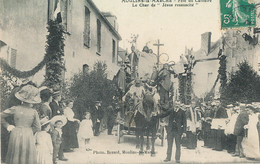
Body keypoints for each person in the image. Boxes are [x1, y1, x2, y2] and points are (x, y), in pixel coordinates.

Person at [1, 84, 41, 164]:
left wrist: (7, 126)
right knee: (27, 156)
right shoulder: (34, 112)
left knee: (15, 154)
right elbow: (38, 127)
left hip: (15, 133)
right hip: (28, 134)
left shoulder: (15, 108)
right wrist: (29, 131)